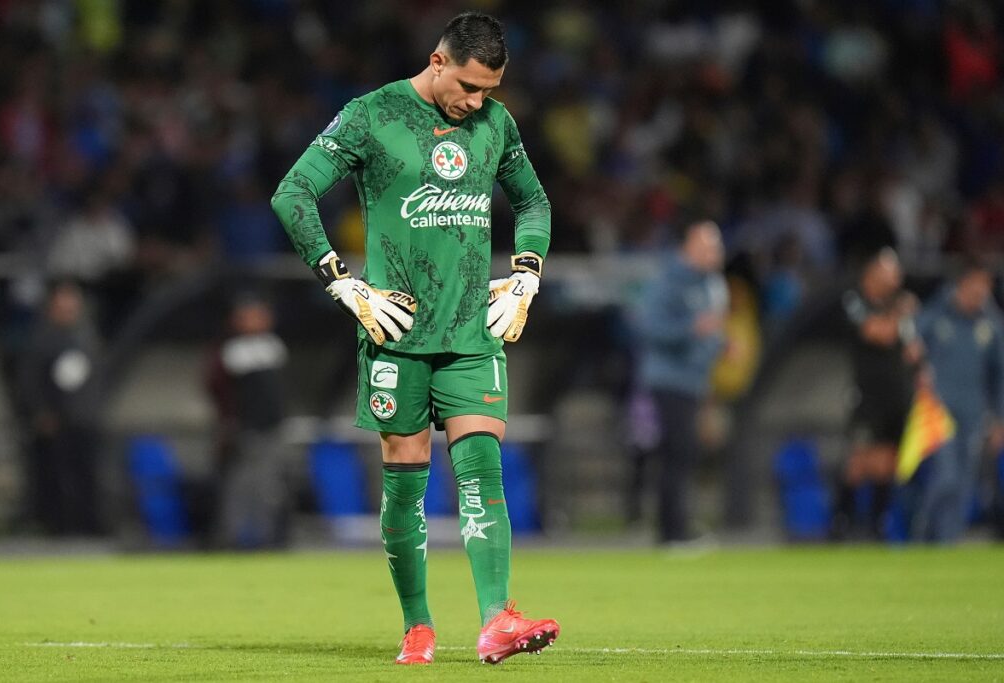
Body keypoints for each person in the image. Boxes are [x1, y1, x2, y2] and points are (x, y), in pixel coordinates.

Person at [270, 12, 558, 666]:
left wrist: (525, 275)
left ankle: (496, 619)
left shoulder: (496, 124)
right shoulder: (371, 115)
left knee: (483, 469)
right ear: (437, 61)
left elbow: (535, 203)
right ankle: (417, 625)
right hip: (394, 332)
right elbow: (292, 195)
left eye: (489, 89)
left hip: (469, 332)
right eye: (468, 85)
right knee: (405, 485)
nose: (476, 101)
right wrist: (343, 283)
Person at [629, 220, 729, 543]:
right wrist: (690, 329)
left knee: (683, 454)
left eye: (717, 247)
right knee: (677, 453)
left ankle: (675, 528)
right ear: (689, 247)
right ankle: (672, 532)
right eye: (708, 246)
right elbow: (651, 328)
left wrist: (721, 346)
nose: (715, 253)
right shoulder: (669, 281)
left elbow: (708, 332)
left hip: (694, 381)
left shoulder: (711, 284)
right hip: (668, 380)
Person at [914, 260, 1004, 542]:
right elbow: (911, 341)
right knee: (946, 478)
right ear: (962, 284)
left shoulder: (991, 324)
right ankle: (922, 537)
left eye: (986, 289)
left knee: (964, 485)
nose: (981, 294)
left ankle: (946, 546)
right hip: (938, 414)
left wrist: (1000, 419)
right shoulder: (938, 313)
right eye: (977, 286)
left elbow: (1001, 374)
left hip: (974, 414)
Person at [835, 248, 922, 539]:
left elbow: (912, 350)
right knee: (859, 461)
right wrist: (900, 313)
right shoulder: (855, 300)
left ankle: (877, 525)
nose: (896, 278)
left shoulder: (896, 307)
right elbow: (878, 332)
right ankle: (841, 523)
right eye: (890, 271)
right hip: (867, 396)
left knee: (887, 461)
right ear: (873, 273)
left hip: (896, 396)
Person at [17, 280, 103, 535]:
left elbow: (94, 378)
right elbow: (30, 381)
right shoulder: (41, 341)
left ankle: (89, 524)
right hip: (56, 421)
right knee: (55, 476)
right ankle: (57, 525)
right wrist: (41, 412)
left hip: (84, 419)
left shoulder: (86, 338)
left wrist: (93, 410)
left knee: (87, 474)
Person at [205, 292, 290, 549]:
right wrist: (230, 423)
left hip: (272, 427)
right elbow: (218, 390)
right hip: (245, 428)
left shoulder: (273, 346)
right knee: (241, 485)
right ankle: (232, 538)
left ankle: (267, 537)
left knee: (269, 485)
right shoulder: (232, 350)